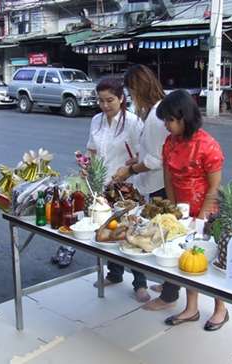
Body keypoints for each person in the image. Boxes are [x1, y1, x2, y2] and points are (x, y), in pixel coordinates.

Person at [156, 89, 228, 331]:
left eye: (168, 120)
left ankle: (221, 309)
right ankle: (192, 307)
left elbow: (216, 186)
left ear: (183, 118)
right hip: (182, 210)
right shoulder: (170, 142)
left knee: (213, 258)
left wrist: (200, 219)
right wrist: (176, 212)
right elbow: (168, 179)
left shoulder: (208, 145)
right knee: (188, 256)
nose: (165, 125)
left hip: (208, 212)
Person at [111, 64, 172, 310]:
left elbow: (156, 159)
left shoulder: (157, 114)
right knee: (164, 234)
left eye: (130, 91)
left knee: (165, 236)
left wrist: (131, 169)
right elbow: (154, 153)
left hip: (160, 185)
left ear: (139, 89)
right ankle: (169, 285)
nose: (130, 98)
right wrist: (136, 161)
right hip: (156, 182)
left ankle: (170, 296)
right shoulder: (156, 111)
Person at [86, 77, 148, 302]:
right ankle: (114, 273)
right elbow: (91, 151)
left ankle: (140, 283)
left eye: (110, 100)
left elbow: (142, 156)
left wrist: (130, 166)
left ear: (122, 98)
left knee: (132, 233)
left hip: (127, 188)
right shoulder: (96, 120)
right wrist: (88, 169)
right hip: (102, 187)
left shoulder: (133, 122)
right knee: (107, 231)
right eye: (101, 100)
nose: (105, 105)